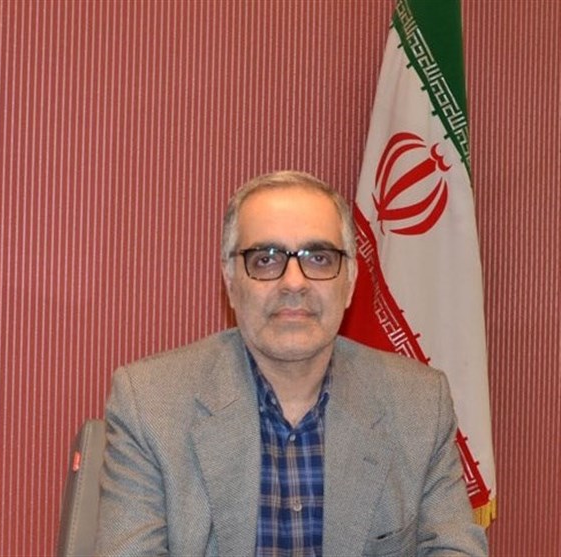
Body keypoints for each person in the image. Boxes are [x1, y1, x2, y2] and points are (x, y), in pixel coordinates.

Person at [95, 171, 488, 556]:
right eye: (266, 259)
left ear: (350, 282)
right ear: (230, 281)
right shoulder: (150, 403)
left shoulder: (419, 404)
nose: (294, 283)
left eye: (319, 258)